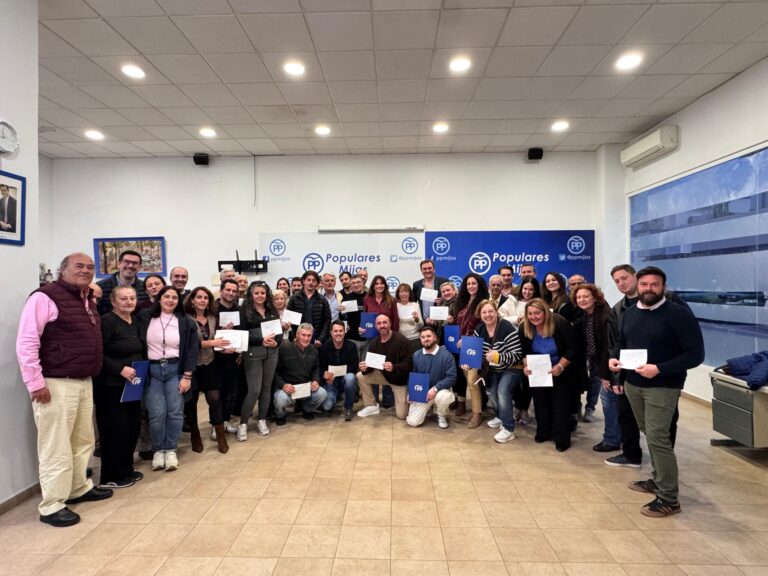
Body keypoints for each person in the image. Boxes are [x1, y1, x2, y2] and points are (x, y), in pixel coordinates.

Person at [16, 252, 112, 527]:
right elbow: (27, 342)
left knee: (83, 440)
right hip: (55, 383)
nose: (85, 271)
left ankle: (77, 487)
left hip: (83, 381)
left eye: (90, 267)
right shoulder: (44, 297)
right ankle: (52, 504)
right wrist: (35, 382)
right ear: (62, 270)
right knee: (55, 445)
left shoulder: (86, 299)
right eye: (79, 266)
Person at [609, 266, 704, 517]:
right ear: (637, 286)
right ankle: (657, 479)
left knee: (658, 437)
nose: (648, 289)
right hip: (633, 385)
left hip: (663, 385)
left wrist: (659, 369)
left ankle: (669, 497)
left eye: (654, 284)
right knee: (649, 433)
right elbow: (622, 342)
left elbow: (695, 354)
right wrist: (614, 360)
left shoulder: (678, 314)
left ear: (663, 286)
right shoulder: (629, 313)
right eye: (644, 284)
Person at [604, 264, 686, 469]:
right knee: (627, 416)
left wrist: (661, 368)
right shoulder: (620, 310)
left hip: (663, 380)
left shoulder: (672, 304)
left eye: (625, 278)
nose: (622, 283)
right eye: (617, 281)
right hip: (630, 377)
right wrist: (616, 376)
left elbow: (691, 349)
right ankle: (632, 455)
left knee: (662, 428)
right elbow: (617, 344)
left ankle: (663, 468)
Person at [137, 286, 199, 472]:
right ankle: (158, 450)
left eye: (174, 297)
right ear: (159, 298)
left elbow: (191, 349)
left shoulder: (185, 321)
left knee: (175, 411)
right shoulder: (145, 317)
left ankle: (171, 449)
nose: (170, 300)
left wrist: (187, 375)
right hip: (152, 370)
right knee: (156, 413)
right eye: (166, 296)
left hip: (176, 370)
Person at [94, 286, 144, 489]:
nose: (129, 302)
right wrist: (119, 369)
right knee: (115, 430)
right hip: (111, 384)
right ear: (113, 302)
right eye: (123, 299)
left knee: (132, 426)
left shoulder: (135, 321)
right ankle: (110, 475)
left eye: (132, 298)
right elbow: (97, 353)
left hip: (132, 384)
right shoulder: (107, 322)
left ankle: (126, 468)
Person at [520, 298, 579, 452]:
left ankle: (561, 438)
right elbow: (524, 350)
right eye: (530, 314)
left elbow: (573, 348)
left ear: (545, 312)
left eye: (537, 313)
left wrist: (560, 366)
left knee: (560, 405)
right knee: (540, 403)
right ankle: (543, 433)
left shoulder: (560, 324)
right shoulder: (525, 328)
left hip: (560, 369)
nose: (534, 317)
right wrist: (526, 366)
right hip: (538, 371)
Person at [183, 287, 231, 454]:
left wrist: (226, 346)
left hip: (210, 363)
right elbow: (185, 344)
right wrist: (210, 344)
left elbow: (218, 340)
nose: (203, 300)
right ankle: (194, 434)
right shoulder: (185, 318)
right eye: (199, 297)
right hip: (191, 366)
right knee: (191, 401)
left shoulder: (212, 317)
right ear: (192, 300)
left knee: (215, 398)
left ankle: (220, 435)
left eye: (206, 298)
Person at [573, 284, 616, 448]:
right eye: (579, 297)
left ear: (595, 298)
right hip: (595, 360)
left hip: (607, 364)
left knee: (609, 402)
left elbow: (608, 346)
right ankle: (613, 437)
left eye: (585, 296)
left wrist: (605, 374)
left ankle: (612, 439)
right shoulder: (587, 315)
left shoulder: (605, 316)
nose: (582, 300)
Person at [474, 300, 523, 443]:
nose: (487, 315)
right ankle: (501, 416)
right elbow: (478, 353)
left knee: (503, 392)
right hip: (492, 368)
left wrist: (497, 356)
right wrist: (469, 361)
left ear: (497, 312)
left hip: (512, 368)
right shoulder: (479, 329)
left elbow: (517, 355)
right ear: (480, 315)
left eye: (490, 311)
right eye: (484, 312)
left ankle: (508, 429)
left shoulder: (507, 328)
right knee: (491, 392)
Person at [239, 281, 282, 440]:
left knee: (266, 388)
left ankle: (262, 419)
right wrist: (261, 340)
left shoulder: (272, 310)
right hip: (253, 354)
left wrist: (276, 341)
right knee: (254, 390)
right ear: (251, 294)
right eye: (256, 293)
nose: (260, 296)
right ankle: (243, 423)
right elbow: (242, 334)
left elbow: (278, 333)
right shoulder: (244, 311)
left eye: (262, 293)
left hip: (272, 353)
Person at [356, 315, 413, 420]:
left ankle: (410, 400)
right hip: (384, 376)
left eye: (384, 322)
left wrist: (394, 367)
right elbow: (372, 366)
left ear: (390, 324)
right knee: (361, 376)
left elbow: (409, 364)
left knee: (402, 416)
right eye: (379, 323)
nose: (382, 326)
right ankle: (371, 406)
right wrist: (365, 368)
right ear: (375, 326)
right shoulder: (374, 343)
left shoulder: (401, 340)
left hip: (399, 380)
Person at [273, 323, 328, 425]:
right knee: (280, 398)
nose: (306, 338)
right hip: (288, 388)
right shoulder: (285, 349)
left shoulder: (313, 350)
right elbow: (275, 372)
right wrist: (283, 385)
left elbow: (316, 369)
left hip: (305, 388)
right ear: (297, 335)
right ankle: (280, 415)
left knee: (322, 393)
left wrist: (316, 380)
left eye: (309, 336)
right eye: (303, 335)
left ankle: (306, 409)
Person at [455, 273, 489, 428]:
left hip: (476, 345)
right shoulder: (464, 302)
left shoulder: (483, 303)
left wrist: (469, 339)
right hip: (464, 347)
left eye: (474, 283)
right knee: (469, 379)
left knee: (472, 381)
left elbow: (484, 325)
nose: (471, 286)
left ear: (479, 285)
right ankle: (477, 409)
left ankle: (477, 415)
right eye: (468, 284)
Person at [406, 325, 456, 429]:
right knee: (412, 422)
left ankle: (441, 415)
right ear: (420, 339)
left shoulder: (447, 355)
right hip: (423, 392)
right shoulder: (416, 355)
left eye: (428, 336)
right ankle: (428, 408)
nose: (426, 339)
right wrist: (411, 392)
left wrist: (435, 388)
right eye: (423, 337)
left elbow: (452, 378)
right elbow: (413, 376)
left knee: (444, 397)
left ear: (435, 337)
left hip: (440, 390)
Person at [214, 279, 244, 435]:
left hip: (234, 357)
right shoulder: (212, 308)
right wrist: (222, 330)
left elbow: (242, 332)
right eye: (228, 290)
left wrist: (241, 352)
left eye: (234, 291)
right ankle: (216, 424)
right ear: (221, 291)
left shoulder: (239, 309)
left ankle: (225, 420)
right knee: (216, 393)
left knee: (231, 391)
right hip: (216, 357)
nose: (231, 293)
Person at [319, 321, 360, 421]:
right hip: (330, 381)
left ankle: (348, 408)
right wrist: (324, 375)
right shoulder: (324, 347)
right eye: (335, 331)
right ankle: (340, 395)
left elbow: (354, 366)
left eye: (341, 331)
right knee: (327, 406)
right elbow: (319, 367)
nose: (338, 333)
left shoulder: (351, 346)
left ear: (345, 331)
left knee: (350, 377)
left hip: (345, 379)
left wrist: (341, 372)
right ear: (331, 332)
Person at [97, 250, 149, 314]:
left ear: (139, 267)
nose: (130, 266)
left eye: (135, 263)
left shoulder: (146, 288)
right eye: (127, 262)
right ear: (119, 264)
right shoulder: (100, 287)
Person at [288, 270, 331, 346]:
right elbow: (289, 320)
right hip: (298, 339)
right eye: (308, 280)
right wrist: (294, 337)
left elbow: (327, 320)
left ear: (317, 283)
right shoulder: (294, 298)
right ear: (303, 281)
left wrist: (321, 339)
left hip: (316, 339)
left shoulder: (323, 300)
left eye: (313, 280)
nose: (311, 282)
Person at [340, 274, 367, 357]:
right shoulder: (346, 298)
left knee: (366, 367)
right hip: (352, 339)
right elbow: (342, 317)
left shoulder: (369, 297)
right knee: (354, 366)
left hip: (368, 338)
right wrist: (345, 325)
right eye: (353, 283)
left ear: (363, 283)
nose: (356, 285)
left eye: (358, 282)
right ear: (351, 285)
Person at [395, 283, 423, 352]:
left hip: (414, 339)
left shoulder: (415, 305)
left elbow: (421, 325)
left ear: (410, 293)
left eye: (406, 291)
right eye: (401, 292)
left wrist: (416, 319)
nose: (404, 294)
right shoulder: (395, 306)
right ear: (398, 294)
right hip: (400, 340)